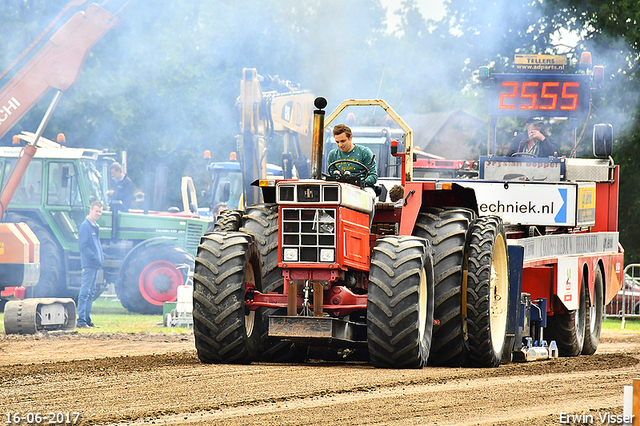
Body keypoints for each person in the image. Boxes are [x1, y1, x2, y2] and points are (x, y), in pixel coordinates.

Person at [77, 200, 104, 329]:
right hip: (89, 264)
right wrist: (94, 257)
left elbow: (97, 245)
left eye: (100, 211)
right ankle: (81, 320)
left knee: (91, 292)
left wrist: (101, 257)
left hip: (95, 265)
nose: (98, 213)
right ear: (91, 210)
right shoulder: (85, 226)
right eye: (96, 211)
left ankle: (87, 319)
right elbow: (82, 246)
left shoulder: (95, 226)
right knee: (85, 292)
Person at [327, 124, 378, 191]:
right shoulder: (333, 155)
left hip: (363, 188)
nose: (340, 145)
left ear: (350, 138)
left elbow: (373, 176)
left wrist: (358, 182)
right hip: (340, 189)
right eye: (337, 142)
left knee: (370, 193)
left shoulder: (364, 152)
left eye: (343, 141)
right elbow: (332, 176)